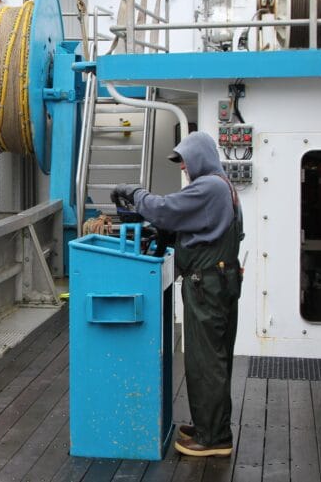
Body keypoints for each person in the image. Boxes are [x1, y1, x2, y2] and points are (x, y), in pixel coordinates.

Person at [111, 131, 243, 458]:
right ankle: (209, 428)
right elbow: (192, 228)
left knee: (205, 362)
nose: (183, 167)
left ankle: (213, 440)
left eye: (184, 159)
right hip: (217, 283)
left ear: (200, 156)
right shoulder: (222, 187)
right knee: (213, 358)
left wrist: (134, 192)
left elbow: (164, 209)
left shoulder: (209, 186)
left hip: (207, 288)